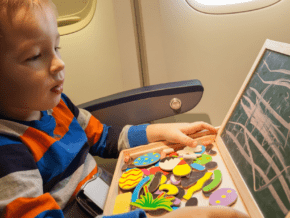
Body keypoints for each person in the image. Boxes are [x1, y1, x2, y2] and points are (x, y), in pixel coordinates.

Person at [0, 0, 249, 217]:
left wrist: (162, 132)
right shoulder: (8, 153)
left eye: (57, 48)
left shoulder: (59, 106)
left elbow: (106, 137)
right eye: (34, 56)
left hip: (115, 199)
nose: (59, 63)